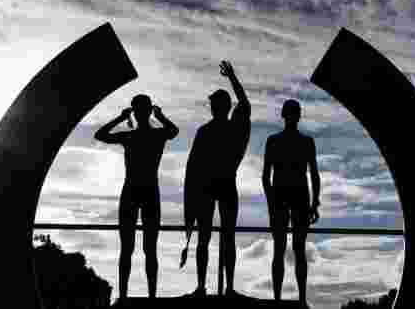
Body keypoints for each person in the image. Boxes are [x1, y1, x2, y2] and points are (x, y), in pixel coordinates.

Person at [95, 94, 179, 302]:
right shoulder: (153, 135)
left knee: (132, 248)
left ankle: (127, 296)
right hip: (145, 191)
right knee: (145, 249)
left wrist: (121, 117)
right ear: (148, 110)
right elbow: (174, 131)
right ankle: (146, 297)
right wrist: (160, 116)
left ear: (137, 111)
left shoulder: (132, 136)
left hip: (134, 191)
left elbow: (100, 135)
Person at [183, 60, 251, 297]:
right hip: (209, 188)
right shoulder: (206, 131)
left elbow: (244, 103)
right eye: (212, 103)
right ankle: (203, 286)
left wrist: (232, 77)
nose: (212, 106)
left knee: (225, 237)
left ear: (223, 106)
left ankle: (226, 287)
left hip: (222, 185)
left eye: (215, 103)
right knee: (207, 237)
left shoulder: (231, 128)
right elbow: (192, 168)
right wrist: (190, 202)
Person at [263, 99, 320, 307]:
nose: (293, 116)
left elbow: (314, 174)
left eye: (295, 113)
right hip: (288, 197)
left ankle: (301, 299)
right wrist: (272, 202)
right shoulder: (276, 141)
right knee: (285, 249)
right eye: (292, 112)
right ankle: (288, 300)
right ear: (287, 115)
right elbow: (265, 176)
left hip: (296, 198)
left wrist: (315, 202)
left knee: (297, 249)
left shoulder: (304, 142)